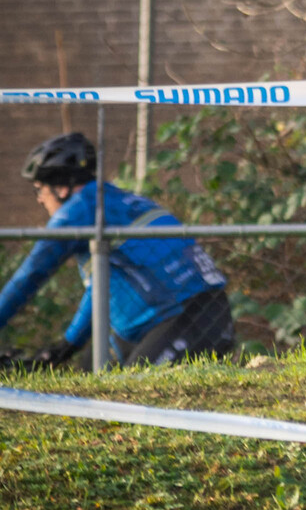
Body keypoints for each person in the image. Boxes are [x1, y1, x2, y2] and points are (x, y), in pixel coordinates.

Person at [0, 132, 236, 367]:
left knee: (136, 395)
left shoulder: (77, 211)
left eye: (39, 189)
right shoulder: (114, 198)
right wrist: (68, 344)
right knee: (86, 380)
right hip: (170, 319)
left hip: (186, 318)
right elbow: (100, 288)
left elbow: (29, 276)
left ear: (61, 188)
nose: (40, 199)